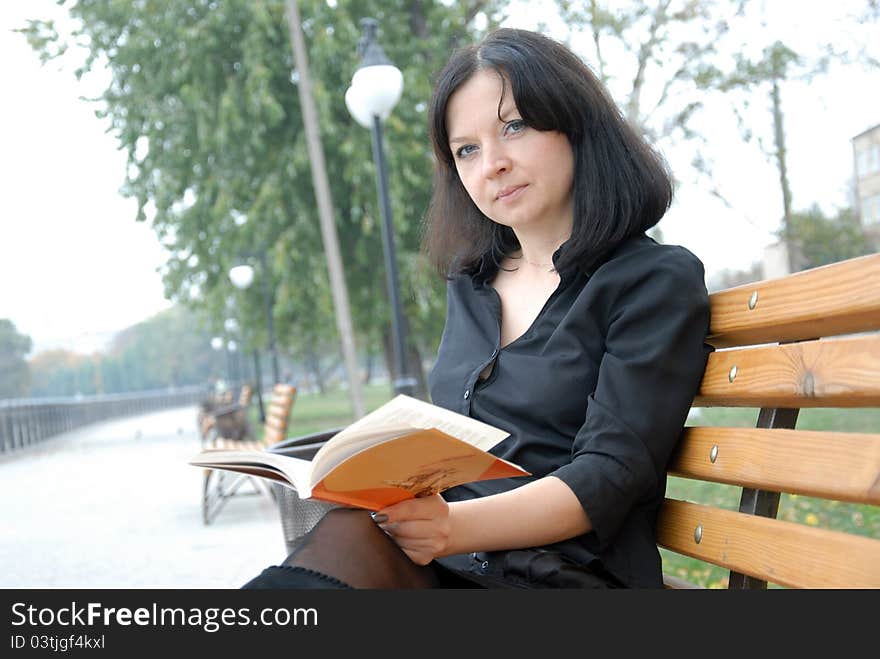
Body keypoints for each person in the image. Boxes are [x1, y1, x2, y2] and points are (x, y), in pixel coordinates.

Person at [242, 27, 711, 590]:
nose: (492, 164)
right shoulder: (471, 284)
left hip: (560, 577)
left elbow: (609, 474)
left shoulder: (651, 282)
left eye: (513, 127)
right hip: (453, 566)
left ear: (576, 125)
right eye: (467, 149)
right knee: (340, 538)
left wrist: (453, 527)